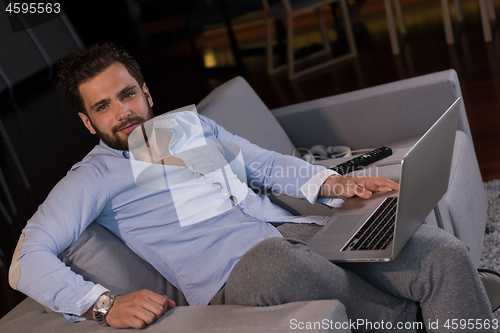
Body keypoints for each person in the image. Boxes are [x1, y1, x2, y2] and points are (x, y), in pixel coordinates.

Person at [8, 43, 498, 332]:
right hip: (237, 276)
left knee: (442, 255)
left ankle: (445, 299)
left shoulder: (189, 129)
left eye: (128, 94)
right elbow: (27, 259)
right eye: (103, 107)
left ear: (146, 92)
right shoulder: (92, 179)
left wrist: (332, 182)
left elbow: (262, 165)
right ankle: (417, 318)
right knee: (275, 263)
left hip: (296, 234)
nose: (123, 113)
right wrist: (105, 304)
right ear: (87, 121)